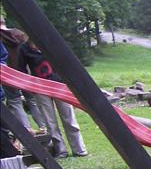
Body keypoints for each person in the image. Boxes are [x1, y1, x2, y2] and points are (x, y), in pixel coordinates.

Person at [1, 24, 88, 158]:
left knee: (69, 118)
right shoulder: (24, 48)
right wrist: (29, 86)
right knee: (50, 122)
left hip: (59, 85)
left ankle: (79, 149)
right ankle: (61, 150)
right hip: (41, 88)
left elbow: (65, 61)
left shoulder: (49, 43)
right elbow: (21, 69)